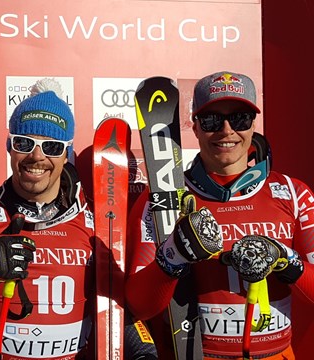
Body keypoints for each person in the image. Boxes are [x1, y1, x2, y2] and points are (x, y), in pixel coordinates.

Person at [0, 78, 158, 360]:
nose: (36, 156)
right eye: (24, 143)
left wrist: (144, 352)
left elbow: (113, 309)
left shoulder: (94, 218)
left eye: (51, 146)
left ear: (66, 154)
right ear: (9, 146)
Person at [125, 71, 314, 360]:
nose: (226, 131)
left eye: (239, 118)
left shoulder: (293, 193)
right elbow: (139, 304)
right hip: (194, 353)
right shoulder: (162, 198)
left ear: (253, 126)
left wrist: (285, 259)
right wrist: (173, 254)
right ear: (196, 128)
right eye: (212, 119)